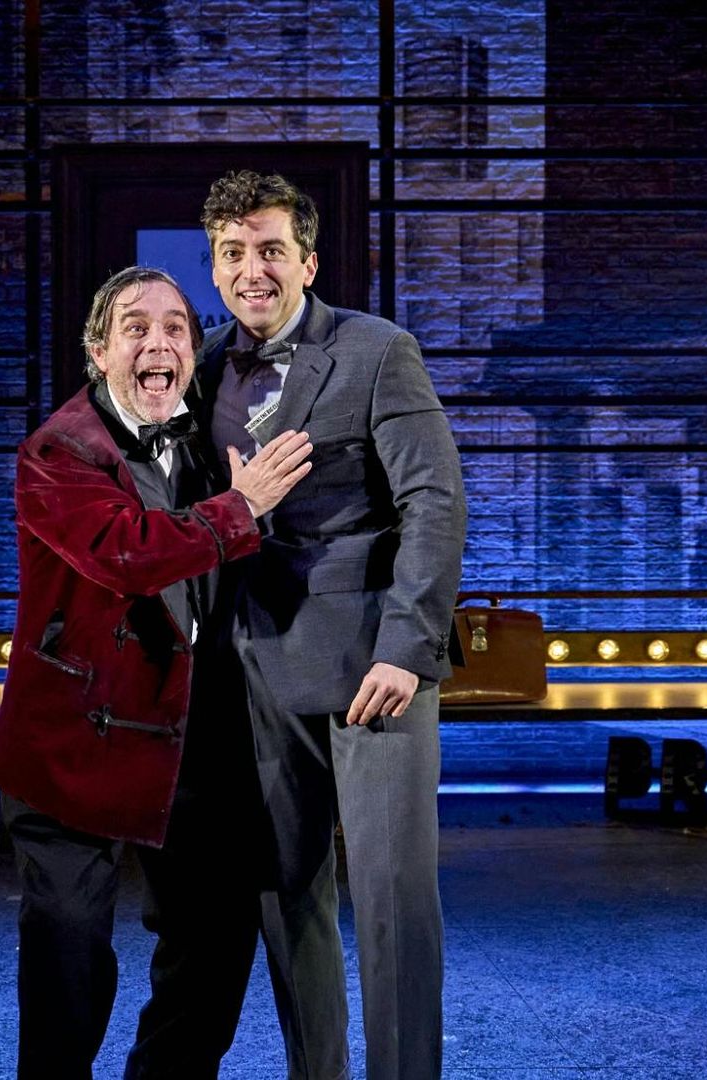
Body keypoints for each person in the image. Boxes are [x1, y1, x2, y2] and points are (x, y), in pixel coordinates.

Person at [0, 265, 313, 1079]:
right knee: (68, 955)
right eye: (135, 328)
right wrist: (243, 507)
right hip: (73, 741)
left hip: (183, 733)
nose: (158, 344)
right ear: (99, 351)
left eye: (174, 330)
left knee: (217, 939)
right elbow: (126, 552)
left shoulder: (206, 440)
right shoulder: (58, 448)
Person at [194, 171, 467, 1080]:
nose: (253, 269)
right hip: (256, 664)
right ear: (214, 268)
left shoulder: (378, 350)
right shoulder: (199, 363)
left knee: (392, 899)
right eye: (234, 253)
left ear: (307, 261)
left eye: (271, 250)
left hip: (371, 668)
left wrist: (407, 650)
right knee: (284, 891)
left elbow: (435, 503)